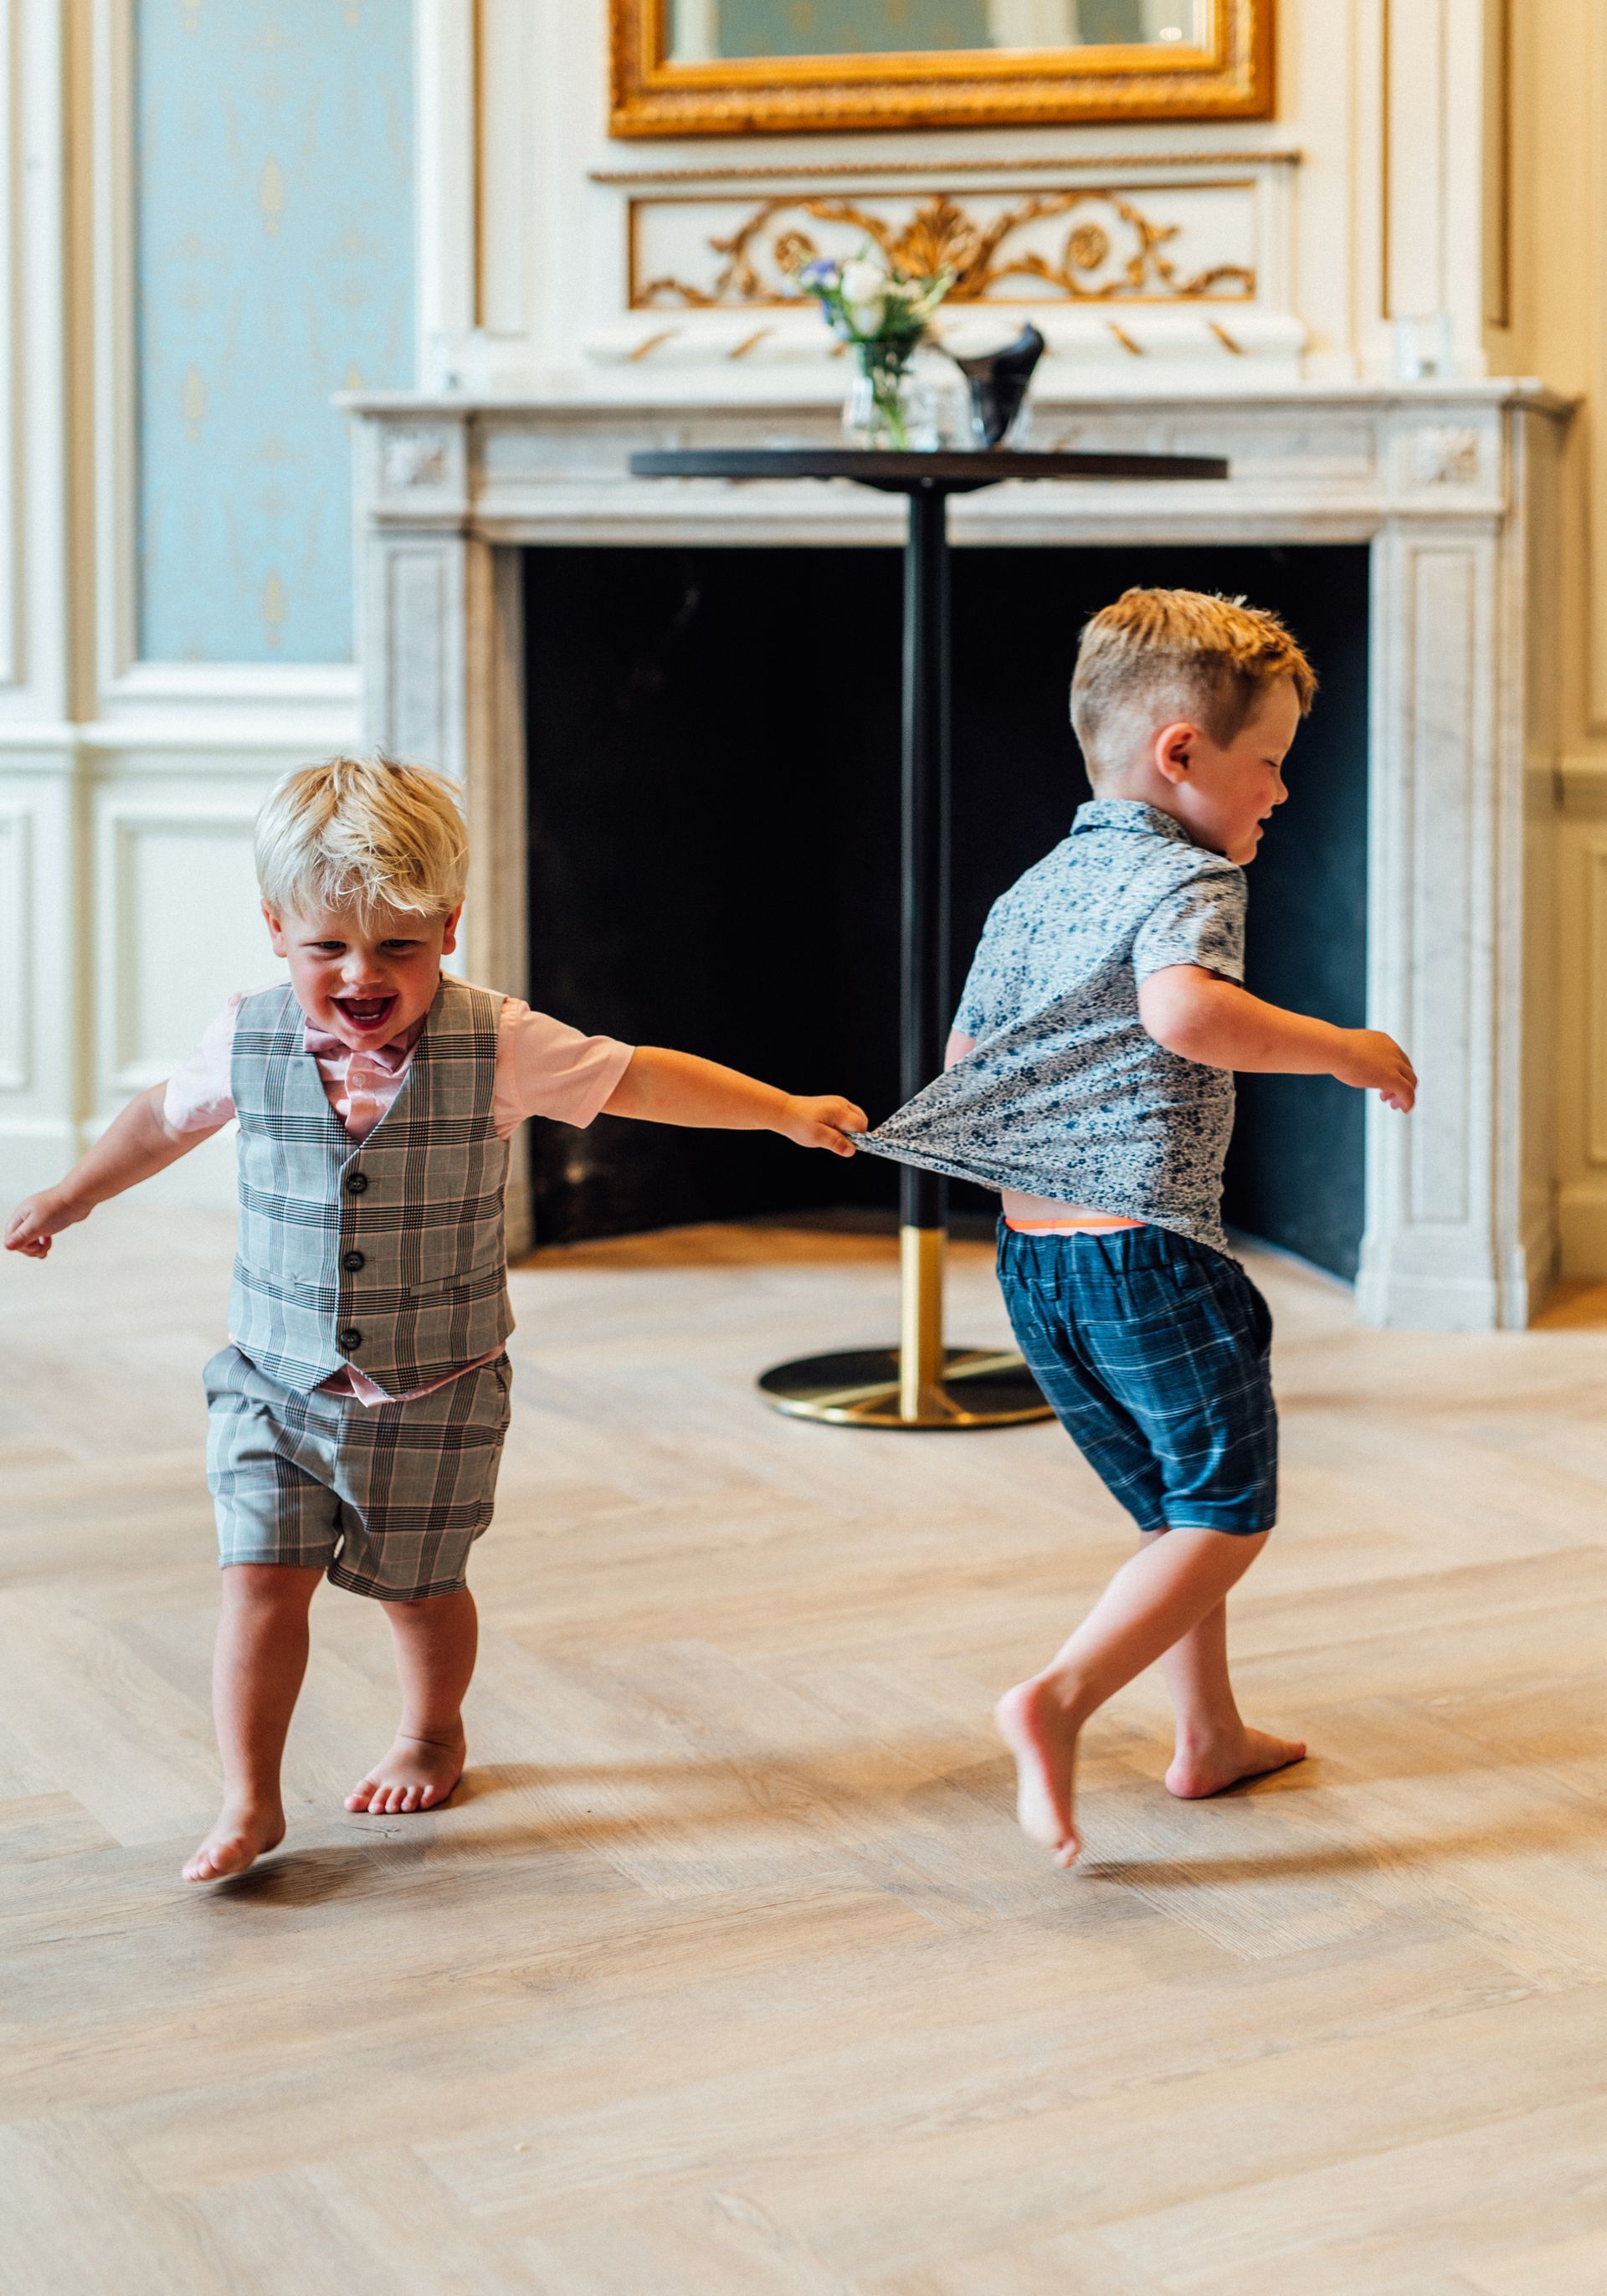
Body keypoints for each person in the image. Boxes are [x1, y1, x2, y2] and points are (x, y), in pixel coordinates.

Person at [4, 754, 865, 1884]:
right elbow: (162, 1123)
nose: (363, 973)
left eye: (400, 947)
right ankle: (249, 1798)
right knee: (258, 1578)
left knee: (420, 1587)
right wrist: (71, 1194)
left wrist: (783, 1112)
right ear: (276, 930)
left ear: (449, 929)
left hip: (435, 1387)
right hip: (271, 1379)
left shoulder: (499, 1041)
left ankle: (431, 1730)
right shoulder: (246, 1035)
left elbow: (641, 1080)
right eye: (328, 946)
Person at [856, 589, 1416, 1867]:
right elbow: (1184, 1014)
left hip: (1035, 1263)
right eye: (1269, 760)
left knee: (1174, 1512)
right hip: (1146, 1251)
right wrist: (1344, 1049)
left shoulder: (1032, 889)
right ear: (1182, 753)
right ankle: (1056, 1699)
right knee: (1229, 1513)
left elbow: (965, 1062)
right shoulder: (1191, 874)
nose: (1281, 790)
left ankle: (1207, 1734)